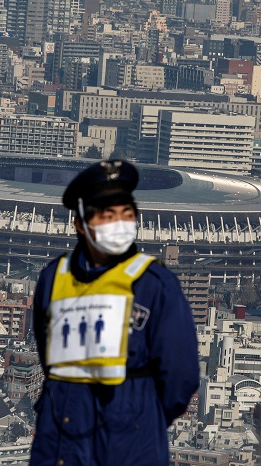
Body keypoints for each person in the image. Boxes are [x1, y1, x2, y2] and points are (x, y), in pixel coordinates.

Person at [30, 159, 199, 466]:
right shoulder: (54, 278)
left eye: (127, 214)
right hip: (60, 438)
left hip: (129, 441)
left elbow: (180, 374)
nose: (119, 225)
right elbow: (47, 355)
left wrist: (142, 415)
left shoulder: (153, 283)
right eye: (108, 216)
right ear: (81, 223)